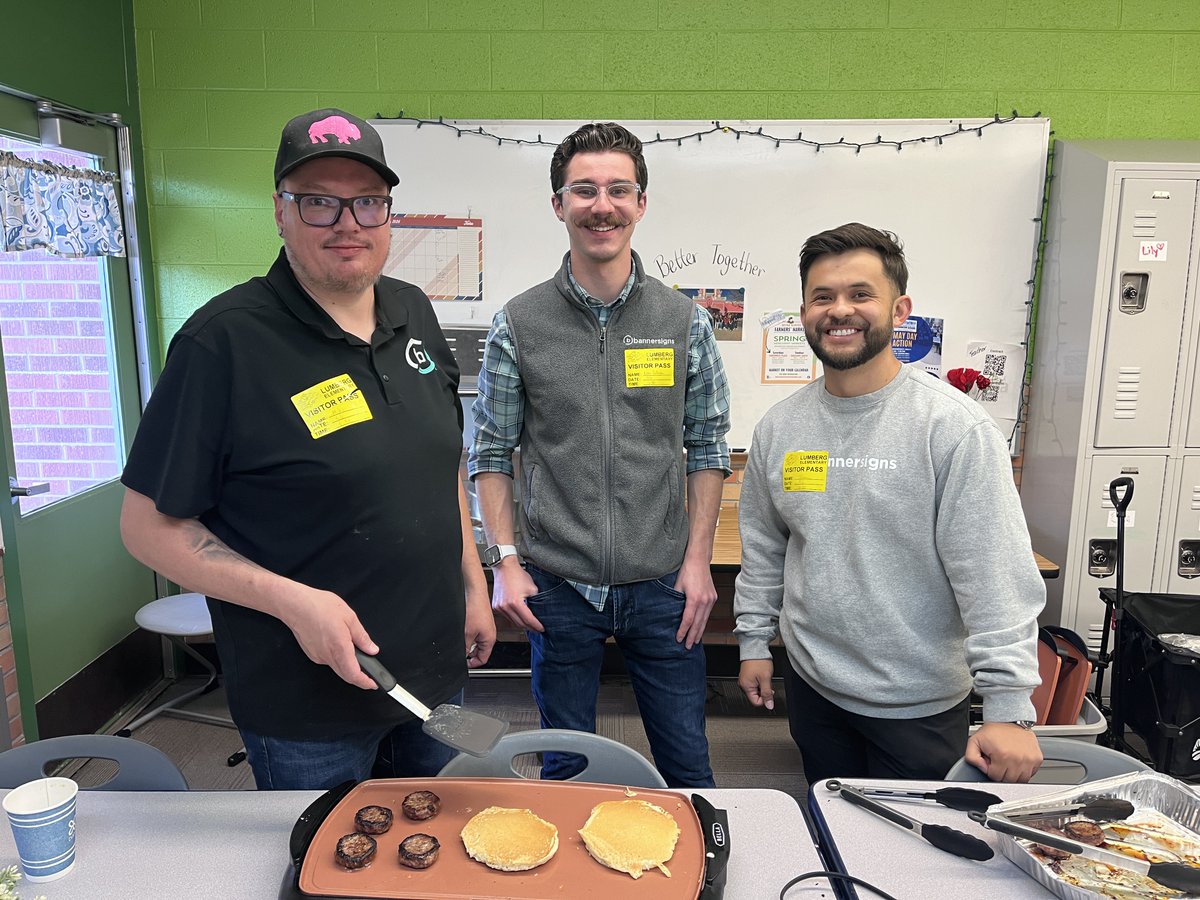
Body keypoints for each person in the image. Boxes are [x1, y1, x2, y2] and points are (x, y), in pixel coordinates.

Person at [119, 108, 495, 790]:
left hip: (434, 676)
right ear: (280, 212)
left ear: (388, 214)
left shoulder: (415, 309)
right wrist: (294, 603)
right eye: (319, 201)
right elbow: (148, 528)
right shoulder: (222, 344)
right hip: (306, 702)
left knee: (436, 858)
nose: (347, 222)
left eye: (367, 202)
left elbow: (446, 460)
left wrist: (473, 580)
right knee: (328, 873)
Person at [469, 122, 731, 788]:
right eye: (583, 190)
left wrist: (698, 561)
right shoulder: (519, 323)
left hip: (663, 585)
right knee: (567, 766)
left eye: (618, 189)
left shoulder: (684, 320)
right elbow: (492, 453)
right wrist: (504, 563)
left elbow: (705, 445)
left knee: (687, 763)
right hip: (557, 585)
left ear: (641, 203)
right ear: (559, 205)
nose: (602, 205)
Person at [734, 222, 1045, 784]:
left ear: (899, 310)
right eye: (822, 297)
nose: (839, 311)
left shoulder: (953, 428)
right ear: (802, 311)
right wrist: (754, 640)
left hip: (917, 704)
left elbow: (994, 574)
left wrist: (1008, 709)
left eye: (860, 295)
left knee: (912, 859)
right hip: (813, 686)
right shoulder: (780, 427)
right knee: (830, 828)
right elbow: (764, 545)